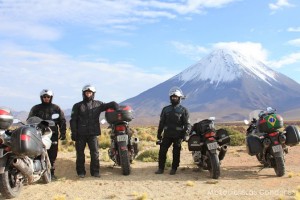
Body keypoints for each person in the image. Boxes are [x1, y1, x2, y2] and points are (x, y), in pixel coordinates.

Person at [70, 84, 119, 178]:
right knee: (80, 153)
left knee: (95, 153)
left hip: (93, 133)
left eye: (90, 92)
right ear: (83, 93)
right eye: (87, 92)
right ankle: (81, 172)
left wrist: (114, 105)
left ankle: (95, 172)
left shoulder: (98, 104)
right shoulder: (77, 105)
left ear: (93, 94)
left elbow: (108, 105)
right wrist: (74, 132)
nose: (88, 94)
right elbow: (73, 120)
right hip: (80, 134)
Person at [28, 89, 66, 180]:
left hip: (52, 133)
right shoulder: (35, 108)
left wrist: (63, 132)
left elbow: (62, 120)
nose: (46, 98)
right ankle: (37, 171)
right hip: (38, 133)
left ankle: (51, 173)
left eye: (48, 97)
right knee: (37, 152)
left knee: (52, 153)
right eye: (44, 97)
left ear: (51, 97)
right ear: (41, 97)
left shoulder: (56, 108)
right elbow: (30, 120)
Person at [155, 87, 191, 175]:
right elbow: (161, 122)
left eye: (176, 97)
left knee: (176, 152)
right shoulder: (165, 109)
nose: (174, 98)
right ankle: (160, 168)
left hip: (178, 135)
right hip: (167, 134)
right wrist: (159, 133)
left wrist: (185, 134)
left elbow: (187, 124)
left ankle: (174, 168)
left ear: (179, 98)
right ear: (170, 98)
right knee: (162, 151)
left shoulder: (183, 110)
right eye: (172, 97)